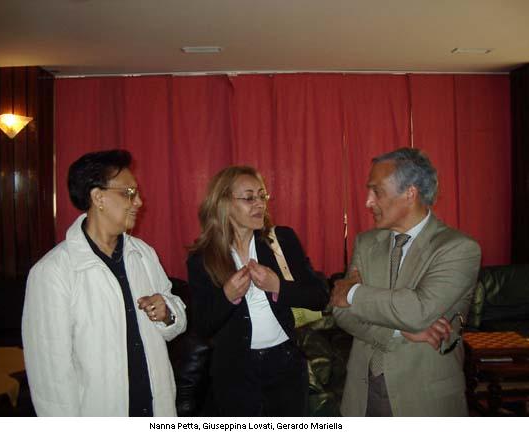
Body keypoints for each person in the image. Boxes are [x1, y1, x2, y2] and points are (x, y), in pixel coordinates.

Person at [22, 149, 187, 416]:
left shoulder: (143, 254)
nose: (139, 202)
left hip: (155, 407)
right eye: (129, 193)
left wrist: (167, 312)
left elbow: (175, 323)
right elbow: (50, 380)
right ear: (98, 197)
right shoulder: (53, 272)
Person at [331, 147, 481, 416]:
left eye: (377, 191)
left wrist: (352, 293)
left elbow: (418, 311)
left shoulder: (458, 248)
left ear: (410, 193)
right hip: (362, 394)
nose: (367, 202)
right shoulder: (365, 243)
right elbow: (340, 311)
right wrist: (397, 332)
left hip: (425, 397)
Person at [187, 165, 328, 416]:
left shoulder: (280, 240)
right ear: (224, 204)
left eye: (262, 196)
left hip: (286, 366)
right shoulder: (203, 258)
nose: (260, 204)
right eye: (249, 197)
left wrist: (278, 287)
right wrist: (227, 297)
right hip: (235, 373)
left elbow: (320, 297)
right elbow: (201, 326)